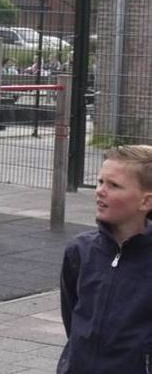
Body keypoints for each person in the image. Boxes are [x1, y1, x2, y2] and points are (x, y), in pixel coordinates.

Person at [58, 145, 152, 373]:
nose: (100, 191)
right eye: (100, 182)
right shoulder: (80, 251)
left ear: (145, 202)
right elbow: (72, 315)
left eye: (114, 185)